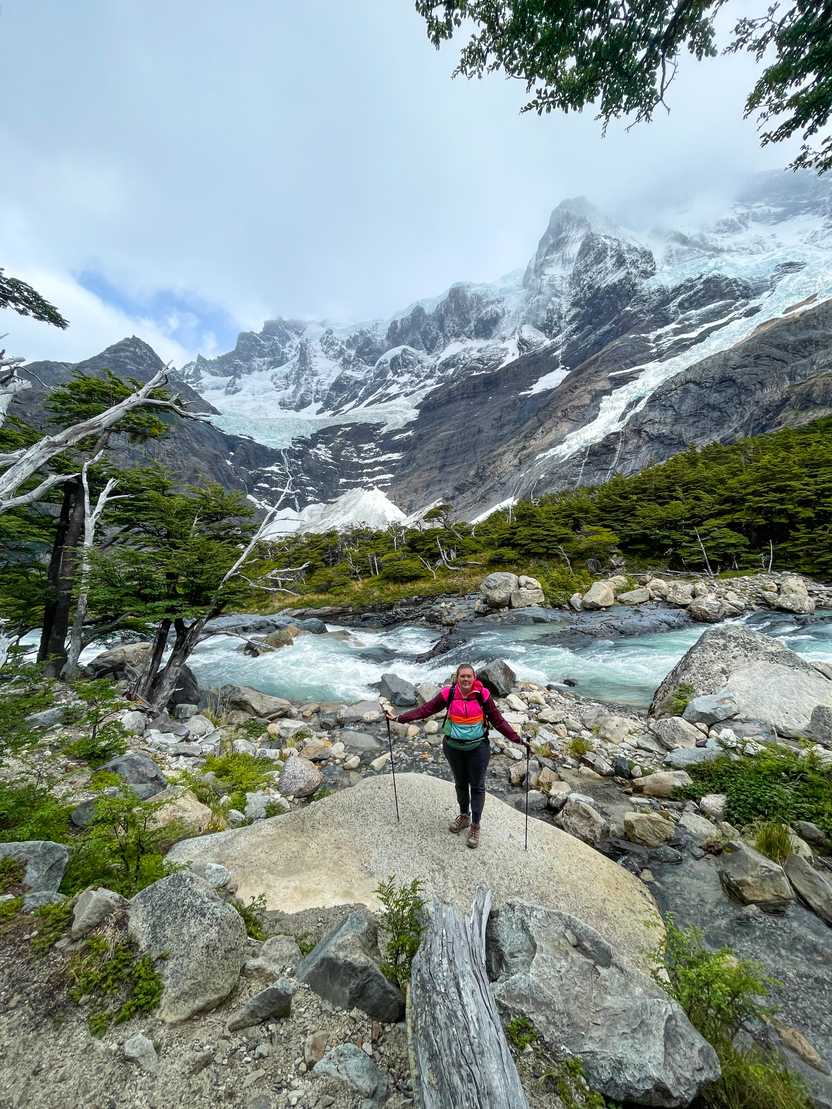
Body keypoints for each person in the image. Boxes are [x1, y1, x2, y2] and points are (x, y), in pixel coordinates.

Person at [385, 663, 529, 849]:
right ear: (457, 678)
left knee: (477, 786)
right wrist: (399, 718)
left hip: (478, 748)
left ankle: (475, 825)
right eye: (463, 676)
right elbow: (425, 710)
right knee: (461, 784)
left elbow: (498, 720)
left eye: (469, 676)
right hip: (453, 747)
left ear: (475, 678)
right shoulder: (449, 694)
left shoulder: (483, 695)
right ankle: (464, 816)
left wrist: (517, 740)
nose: (466, 679)